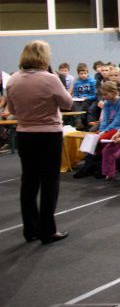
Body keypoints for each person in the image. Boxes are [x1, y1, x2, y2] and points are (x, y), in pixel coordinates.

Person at [6, 40, 73, 244]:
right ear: (44, 57)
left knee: (29, 182)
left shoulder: (13, 79)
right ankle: (47, 230)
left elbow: (13, 110)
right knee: (49, 182)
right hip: (48, 134)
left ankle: (30, 229)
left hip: (25, 134)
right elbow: (67, 103)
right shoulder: (50, 79)